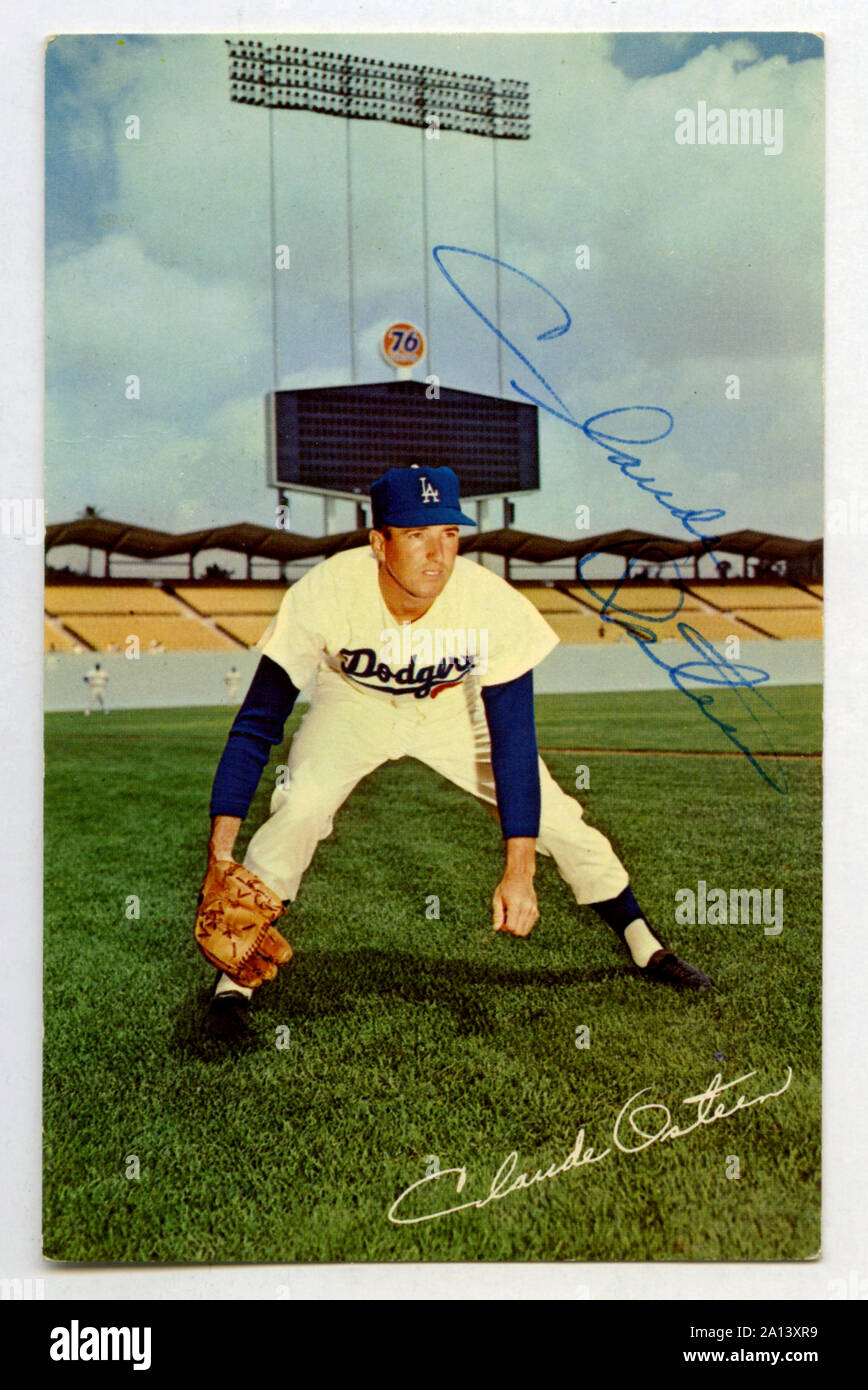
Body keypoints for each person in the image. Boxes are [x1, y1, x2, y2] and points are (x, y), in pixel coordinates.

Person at [202, 466, 711, 1040]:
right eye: (416, 534)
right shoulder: (323, 594)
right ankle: (232, 985)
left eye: (449, 531)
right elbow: (256, 726)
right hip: (354, 702)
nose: (437, 552)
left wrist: (519, 870)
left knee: (558, 817)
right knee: (299, 807)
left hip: (452, 707)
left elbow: (514, 742)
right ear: (379, 542)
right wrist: (220, 855)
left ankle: (645, 945)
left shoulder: (489, 601)